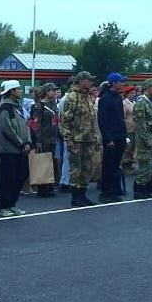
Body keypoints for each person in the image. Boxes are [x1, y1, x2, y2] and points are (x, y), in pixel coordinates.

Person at [60, 71, 99, 206]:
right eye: (89, 80)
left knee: (87, 168)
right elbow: (65, 120)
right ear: (81, 81)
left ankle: (83, 194)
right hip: (76, 139)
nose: (91, 83)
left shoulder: (87, 97)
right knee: (76, 169)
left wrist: (96, 138)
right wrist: (68, 139)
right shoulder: (72, 97)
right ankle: (76, 197)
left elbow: (93, 120)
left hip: (88, 139)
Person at [0, 80, 32, 216]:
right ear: (11, 91)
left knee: (20, 176)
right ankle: (3, 206)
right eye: (18, 89)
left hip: (21, 149)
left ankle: (12, 203)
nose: (20, 91)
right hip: (9, 149)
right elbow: (7, 129)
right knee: (7, 178)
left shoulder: (18, 107)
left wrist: (28, 141)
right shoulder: (4, 108)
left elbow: (26, 124)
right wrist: (21, 143)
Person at [97, 72, 128, 203]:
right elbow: (102, 121)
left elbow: (121, 118)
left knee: (116, 165)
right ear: (114, 83)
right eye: (120, 81)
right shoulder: (105, 98)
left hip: (120, 135)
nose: (122, 83)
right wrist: (108, 138)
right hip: (111, 137)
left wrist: (124, 135)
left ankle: (114, 190)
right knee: (109, 165)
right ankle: (106, 191)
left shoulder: (117, 97)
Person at [130, 79, 152, 199]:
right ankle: (138, 188)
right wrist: (148, 140)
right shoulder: (141, 103)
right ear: (148, 88)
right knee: (145, 166)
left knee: (149, 166)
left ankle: (145, 188)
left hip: (151, 138)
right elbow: (141, 124)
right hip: (144, 140)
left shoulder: (149, 102)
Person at [29, 83, 60, 197]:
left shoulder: (53, 105)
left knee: (51, 161)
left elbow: (56, 121)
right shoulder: (39, 106)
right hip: (43, 137)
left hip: (52, 137)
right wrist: (38, 140)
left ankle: (49, 185)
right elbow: (35, 124)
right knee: (43, 161)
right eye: (52, 90)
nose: (54, 92)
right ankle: (42, 188)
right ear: (46, 92)